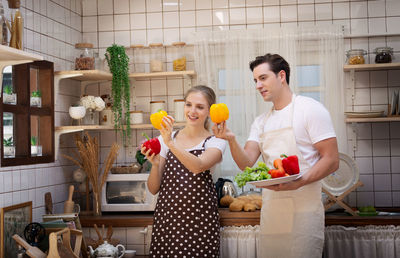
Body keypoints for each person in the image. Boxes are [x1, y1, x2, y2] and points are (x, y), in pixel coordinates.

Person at [212, 54, 339, 258]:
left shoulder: (310, 110)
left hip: (304, 211)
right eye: (255, 80)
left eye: (263, 78)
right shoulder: (261, 122)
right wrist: (231, 139)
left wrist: (299, 182)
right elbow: (246, 163)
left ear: (281, 76)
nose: (258, 85)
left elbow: (332, 160)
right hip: (272, 212)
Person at [142, 85, 226, 257]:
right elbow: (153, 189)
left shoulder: (216, 141)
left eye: (200, 107)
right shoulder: (166, 138)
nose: (192, 111)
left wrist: (170, 143)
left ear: (209, 111)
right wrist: (156, 164)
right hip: (168, 220)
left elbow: (198, 166)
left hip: (200, 222)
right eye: (189, 105)